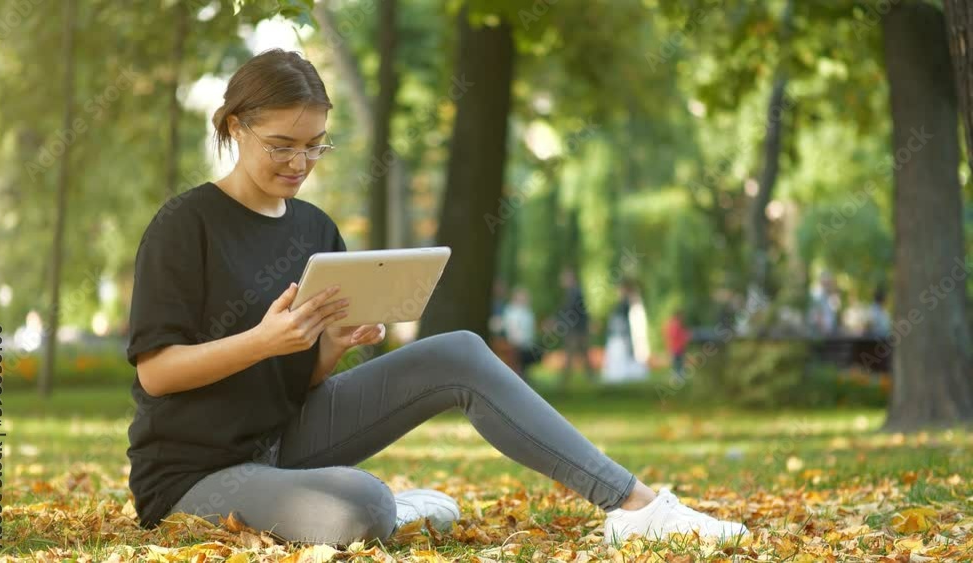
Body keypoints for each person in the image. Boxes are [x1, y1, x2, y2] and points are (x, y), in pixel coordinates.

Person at [125, 48, 747, 547]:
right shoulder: (186, 225)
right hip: (191, 476)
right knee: (363, 506)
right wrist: (260, 341)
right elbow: (156, 374)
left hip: (283, 440)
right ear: (237, 126)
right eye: (283, 145)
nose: (301, 161)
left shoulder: (315, 229)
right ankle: (389, 507)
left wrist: (329, 347)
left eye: (315, 144)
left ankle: (635, 505)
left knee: (458, 352)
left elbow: (296, 384)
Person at [601, 282, 648, 383]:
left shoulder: (625, 303)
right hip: (618, 334)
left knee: (621, 355)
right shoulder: (621, 304)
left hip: (621, 334)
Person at [558, 268, 596, 387]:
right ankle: (588, 377)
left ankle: (566, 380)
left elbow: (571, 309)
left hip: (576, 329)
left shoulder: (574, 292)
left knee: (572, 353)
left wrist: (557, 320)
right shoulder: (574, 291)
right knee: (582, 353)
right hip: (577, 328)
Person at [502, 287, 539, 380]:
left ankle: (523, 375)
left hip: (526, 344)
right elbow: (512, 330)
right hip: (516, 344)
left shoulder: (527, 311)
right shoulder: (512, 311)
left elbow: (530, 331)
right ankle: (520, 375)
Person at [663, 310, 691, 378]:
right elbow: (675, 335)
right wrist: (685, 336)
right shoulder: (674, 324)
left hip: (676, 348)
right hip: (676, 348)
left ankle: (679, 376)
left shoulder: (671, 323)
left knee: (679, 363)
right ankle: (678, 376)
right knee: (678, 363)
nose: (682, 319)